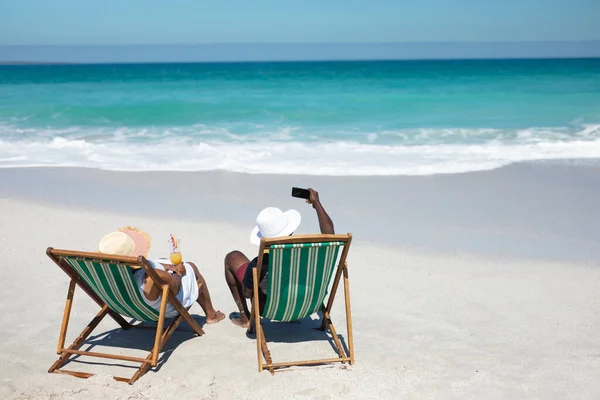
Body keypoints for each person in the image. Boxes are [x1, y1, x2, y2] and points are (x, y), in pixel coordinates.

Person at [224, 188, 335, 328]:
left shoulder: (260, 264)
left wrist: (252, 281)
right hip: (304, 304)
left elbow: (247, 293)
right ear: (291, 229)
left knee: (232, 257)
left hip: (271, 310)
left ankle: (245, 317)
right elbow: (331, 237)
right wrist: (317, 204)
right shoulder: (312, 255)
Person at [98, 229, 225, 323]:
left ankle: (211, 314)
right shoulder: (149, 278)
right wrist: (178, 273)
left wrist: (168, 267)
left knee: (162, 261)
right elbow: (175, 288)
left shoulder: (107, 274)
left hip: (127, 305)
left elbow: (149, 266)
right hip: (162, 309)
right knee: (191, 267)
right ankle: (211, 315)